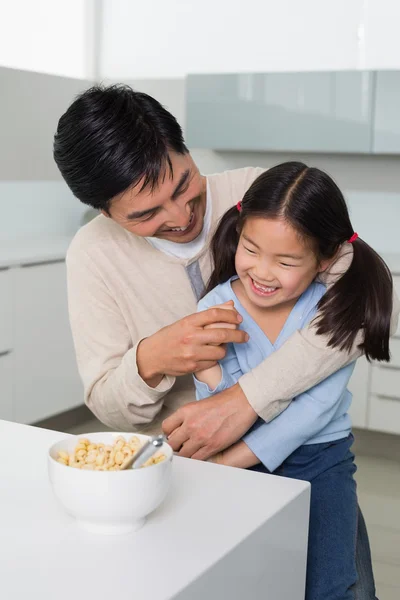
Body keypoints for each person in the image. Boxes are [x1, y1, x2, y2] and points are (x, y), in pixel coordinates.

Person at [54, 84, 397, 598]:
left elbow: (357, 292)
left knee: (338, 586)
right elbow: (109, 403)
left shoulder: (262, 194)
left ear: (186, 150)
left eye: (183, 185)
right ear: (105, 214)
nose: (179, 217)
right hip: (193, 470)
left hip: (310, 455)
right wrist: (152, 359)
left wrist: (246, 401)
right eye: (145, 215)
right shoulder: (92, 255)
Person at [192, 162, 392, 599]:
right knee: (247, 579)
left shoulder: (333, 310)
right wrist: (207, 372)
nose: (262, 272)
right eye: (251, 249)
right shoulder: (216, 304)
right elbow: (223, 406)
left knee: (331, 585)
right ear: (238, 233)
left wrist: (227, 464)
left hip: (318, 461)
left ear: (324, 258)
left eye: (285, 261)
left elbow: (315, 409)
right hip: (240, 460)